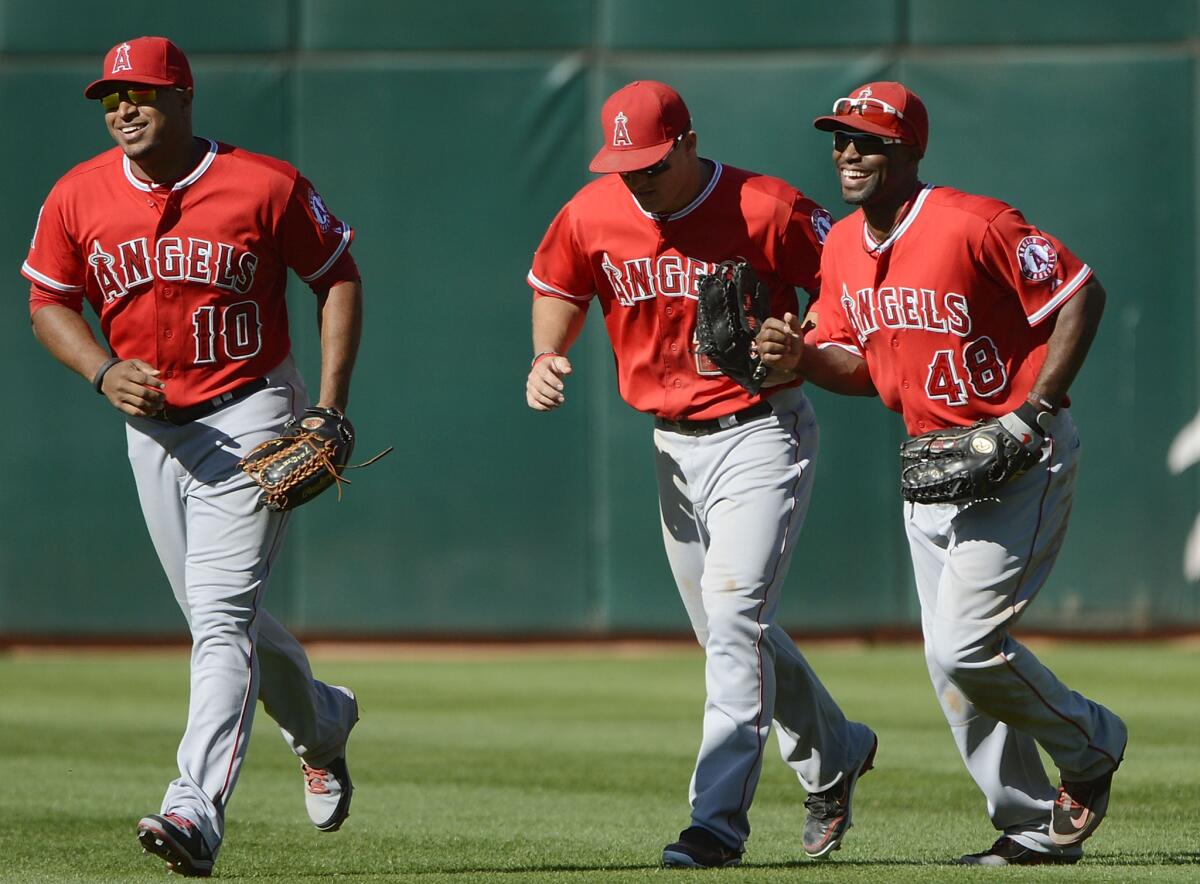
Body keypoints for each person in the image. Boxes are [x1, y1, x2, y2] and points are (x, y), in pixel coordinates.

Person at [757, 81, 1128, 866]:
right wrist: (800, 359)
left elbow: (1079, 295)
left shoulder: (974, 222)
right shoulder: (841, 247)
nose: (848, 154)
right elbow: (853, 363)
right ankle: (1031, 822)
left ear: (909, 149)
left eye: (869, 141)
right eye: (840, 139)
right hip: (934, 462)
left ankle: (1092, 746)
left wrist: (1035, 408)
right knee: (950, 665)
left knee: (964, 646)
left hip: (1020, 451)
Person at [22, 36, 363, 877]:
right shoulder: (78, 194)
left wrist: (329, 405)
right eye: (111, 97)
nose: (123, 109)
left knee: (218, 619)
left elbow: (338, 276)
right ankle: (323, 721)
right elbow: (48, 301)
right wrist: (101, 371)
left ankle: (194, 808)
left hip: (253, 412)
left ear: (182, 96)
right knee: (223, 621)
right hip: (152, 427)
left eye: (139, 92)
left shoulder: (265, 182)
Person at [524, 79, 877, 869]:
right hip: (671, 446)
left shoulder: (767, 206)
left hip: (761, 430)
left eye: (651, 160)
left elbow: (846, 280)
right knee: (730, 632)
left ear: (686, 142)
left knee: (733, 616)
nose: (637, 176)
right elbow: (557, 285)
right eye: (624, 163)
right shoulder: (593, 212)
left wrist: (808, 341)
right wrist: (549, 352)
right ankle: (836, 750)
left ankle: (715, 824)